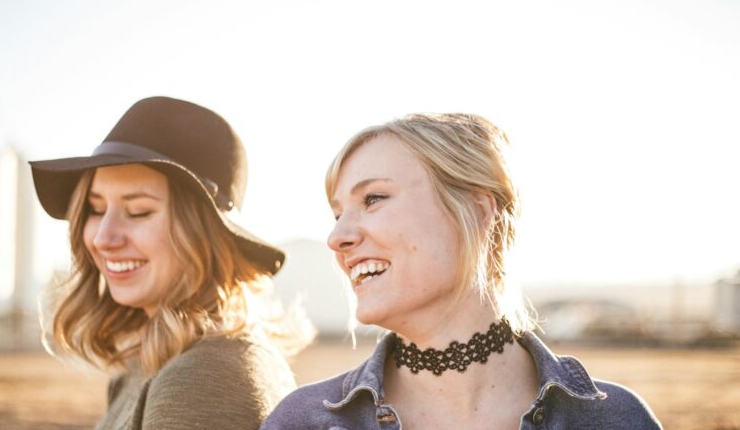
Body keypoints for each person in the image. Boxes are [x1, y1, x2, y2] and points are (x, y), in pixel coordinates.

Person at [262, 113, 661, 429]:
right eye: (336, 214)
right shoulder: (303, 421)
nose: (337, 237)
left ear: (477, 211)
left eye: (373, 198)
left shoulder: (615, 419)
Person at [30, 96, 312, 429]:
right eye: (96, 209)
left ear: (204, 234)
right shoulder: (151, 365)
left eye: (138, 211)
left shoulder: (203, 379)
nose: (104, 238)